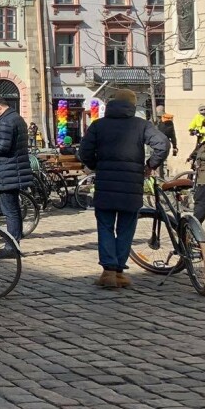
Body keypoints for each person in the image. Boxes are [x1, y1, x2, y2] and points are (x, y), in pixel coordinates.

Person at [78, 89, 170, 289]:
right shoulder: (141, 125)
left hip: (106, 184)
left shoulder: (98, 125)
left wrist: (96, 165)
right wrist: (150, 166)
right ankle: (118, 271)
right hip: (131, 184)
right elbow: (162, 144)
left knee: (105, 227)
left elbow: (84, 151)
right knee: (126, 228)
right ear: (133, 105)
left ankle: (108, 271)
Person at [0, 93, 32, 241]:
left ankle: (11, 244)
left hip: (6, 171)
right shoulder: (17, 118)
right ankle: (15, 241)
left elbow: (2, 147)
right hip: (14, 169)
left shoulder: (5, 122)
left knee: (9, 210)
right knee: (14, 209)